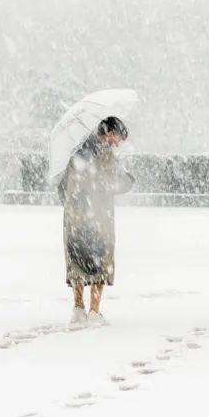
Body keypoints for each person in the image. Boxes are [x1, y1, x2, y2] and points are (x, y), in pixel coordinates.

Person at [59, 116, 134, 325]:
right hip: (98, 217)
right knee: (100, 263)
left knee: (78, 263)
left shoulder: (74, 153)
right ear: (109, 133)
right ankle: (94, 311)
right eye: (118, 138)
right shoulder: (104, 157)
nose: (118, 143)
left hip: (75, 218)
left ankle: (77, 308)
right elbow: (111, 184)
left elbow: (63, 187)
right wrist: (128, 181)